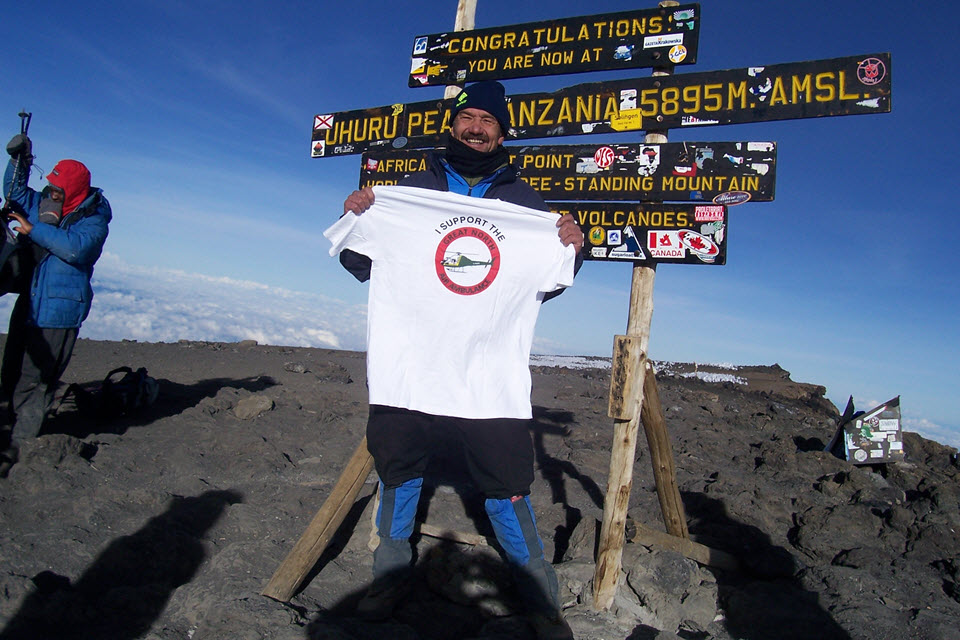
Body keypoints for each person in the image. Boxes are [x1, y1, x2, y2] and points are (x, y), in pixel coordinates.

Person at [335, 81, 583, 639]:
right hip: (413, 368)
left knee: (507, 478)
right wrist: (360, 219)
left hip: (487, 374)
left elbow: (545, 284)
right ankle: (390, 573)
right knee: (399, 468)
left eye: (487, 121)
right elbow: (362, 262)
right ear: (453, 125)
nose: (476, 127)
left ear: (503, 131)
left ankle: (539, 593)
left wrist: (571, 245)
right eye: (467, 117)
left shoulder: (526, 205)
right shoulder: (410, 191)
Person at [0, 133, 111, 477]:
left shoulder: (93, 219)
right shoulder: (48, 202)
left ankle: (17, 448)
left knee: (35, 381)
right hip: (32, 301)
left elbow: (77, 249)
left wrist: (33, 229)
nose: (51, 193)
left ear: (75, 191)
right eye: (50, 187)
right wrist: (20, 162)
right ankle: (6, 436)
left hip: (59, 313)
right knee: (12, 372)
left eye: (58, 189)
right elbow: (16, 195)